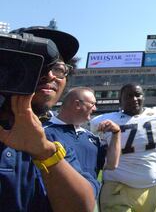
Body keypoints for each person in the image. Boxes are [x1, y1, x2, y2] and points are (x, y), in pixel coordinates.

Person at [1, 27, 98, 211]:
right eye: (37, 63)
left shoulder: (61, 139)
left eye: (58, 68)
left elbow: (82, 207)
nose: (50, 75)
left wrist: (43, 151)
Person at [91, 83, 156, 212]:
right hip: (117, 186)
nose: (134, 99)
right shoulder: (103, 121)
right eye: (129, 96)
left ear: (143, 97)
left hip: (150, 187)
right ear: (120, 101)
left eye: (137, 95)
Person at [44, 87, 122, 196]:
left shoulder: (92, 139)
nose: (95, 108)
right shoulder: (43, 133)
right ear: (77, 104)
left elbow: (112, 164)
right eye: (92, 104)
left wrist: (116, 133)